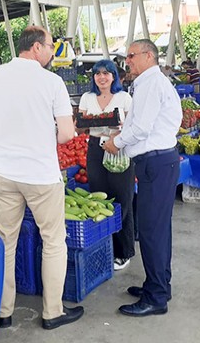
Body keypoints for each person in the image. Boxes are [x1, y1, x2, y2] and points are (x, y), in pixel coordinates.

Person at [0, 26, 82, 330]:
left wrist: (8, 130)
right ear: (36, 48)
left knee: (5, 242)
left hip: (2, 172)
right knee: (54, 241)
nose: (51, 52)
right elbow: (68, 134)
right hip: (40, 174)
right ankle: (52, 312)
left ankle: (3, 313)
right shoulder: (51, 82)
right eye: (51, 46)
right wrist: (36, 132)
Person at [103, 39, 181, 317]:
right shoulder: (153, 82)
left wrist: (118, 143)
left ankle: (156, 297)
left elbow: (142, 128)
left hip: (155, 163)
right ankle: (158, 284)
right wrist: (125, 134)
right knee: (159, 229)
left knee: (151, 232)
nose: (128, 62)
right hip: (160, 161)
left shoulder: (150, 83)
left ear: (149, 56)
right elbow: (144, 123)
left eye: (132, 56)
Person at [79, 60, 135, 271]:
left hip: (119, 147)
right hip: (95, 148)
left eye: (106, 73)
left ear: (114, 76)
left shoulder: (124, 98)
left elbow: (132, 126)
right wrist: (85, 124)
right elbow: (81, 126)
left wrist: (118, 135)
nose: (102, 77)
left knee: (122, 198)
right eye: (97, 74)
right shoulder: (87, 97)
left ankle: (123, 251)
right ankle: (104, 247)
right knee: (99, 196)